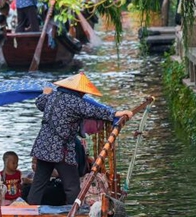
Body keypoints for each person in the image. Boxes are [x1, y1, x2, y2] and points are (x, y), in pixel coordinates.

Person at [27, 73, 133, 206]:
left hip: (43, 146)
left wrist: (45, 93)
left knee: (38, 184)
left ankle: (29, 212)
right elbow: (95, 111)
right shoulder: (75, 101)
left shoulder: (52, 96)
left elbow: (40, 103)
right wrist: (116, 113)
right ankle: (74, 214)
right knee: (72, 187)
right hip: (60, 149)